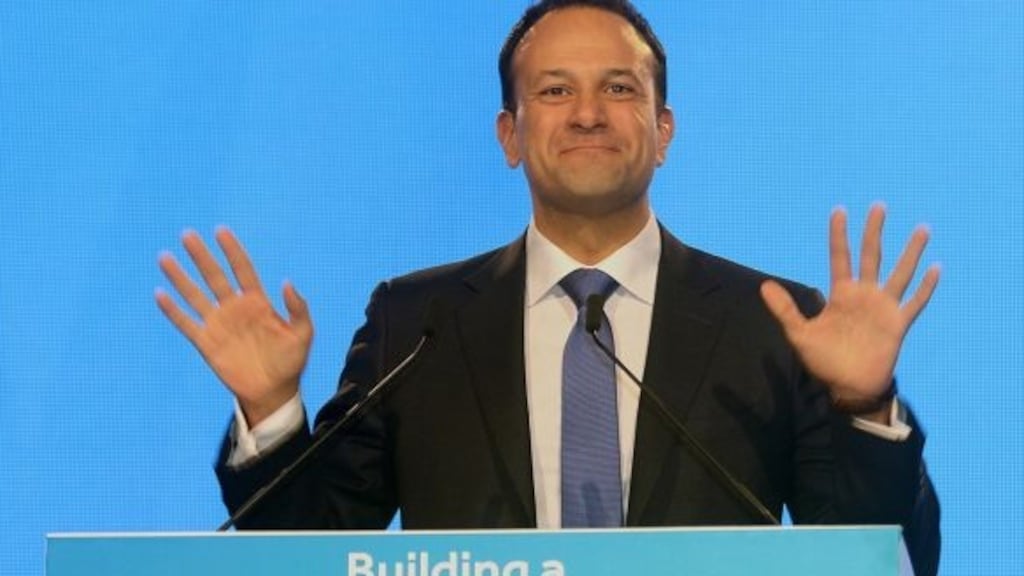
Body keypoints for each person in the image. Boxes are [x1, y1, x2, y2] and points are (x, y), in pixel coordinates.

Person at [156, 1, 940, 574]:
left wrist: (864, 407)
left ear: (664, 131)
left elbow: (882, 558)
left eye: (620, 89)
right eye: (555, 91)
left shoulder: (771, 321)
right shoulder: (415, 323)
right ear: (510, 134)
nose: (589, 115)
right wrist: (272, 413)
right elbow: (318, 552)